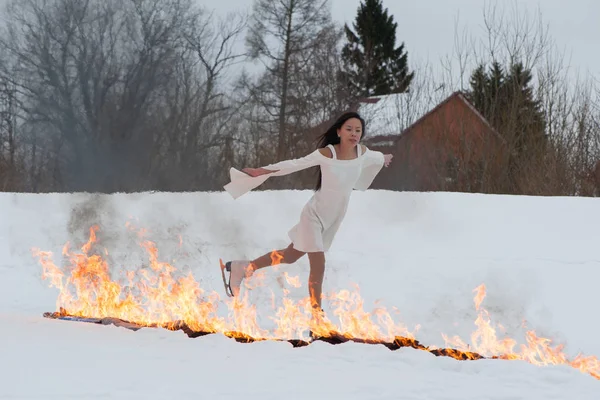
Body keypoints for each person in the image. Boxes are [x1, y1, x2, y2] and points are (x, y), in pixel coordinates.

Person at [220, 112, 393, 314]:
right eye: (349, 129)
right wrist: (262, 170)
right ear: (338, 131)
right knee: (318, 264)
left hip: (333, 219)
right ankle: (316, 316)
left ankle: (244, 268)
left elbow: (377, 157)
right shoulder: (327, 154)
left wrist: (385, 158)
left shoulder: (363, 153)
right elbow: (294, 164)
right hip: (314, 216)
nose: (354, 134)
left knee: (290, 255)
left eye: (358, 130)